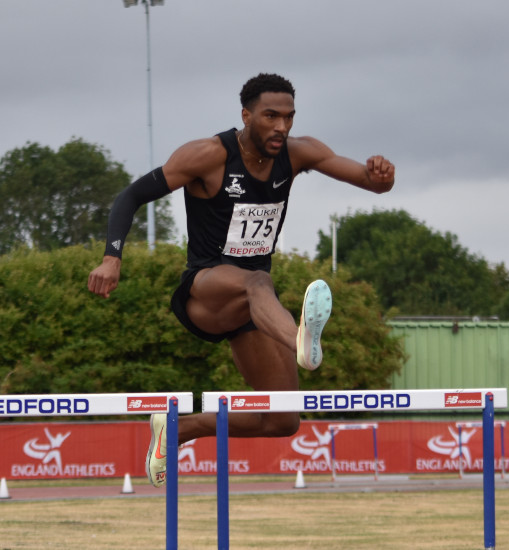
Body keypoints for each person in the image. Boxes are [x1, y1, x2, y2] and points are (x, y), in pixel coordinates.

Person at [87, 73, 395, 487]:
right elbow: (131, 196)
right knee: (257, 282)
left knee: (283, 419)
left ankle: (181, 429)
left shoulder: (300, 153)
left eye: (288, 117)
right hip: (205, 291)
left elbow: (368, 181)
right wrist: (112, 257)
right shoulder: (207, 155)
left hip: (254, 310)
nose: (281, 128)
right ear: (247, 115)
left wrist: (381, 176)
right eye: (270, 116)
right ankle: (301, 340)